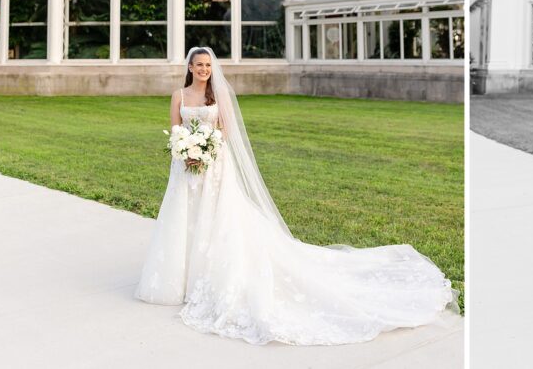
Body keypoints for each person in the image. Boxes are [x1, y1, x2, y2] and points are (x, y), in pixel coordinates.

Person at [135, 46, 455, 345]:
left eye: (208, 65)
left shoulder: (217, 94)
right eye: (199, 65)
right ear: (190, 66)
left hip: (214, 165)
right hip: (185, 168)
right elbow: (175, 129)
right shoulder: (178, 95)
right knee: (184, 216)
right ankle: (180, 279)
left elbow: (226, 131)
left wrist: (205, 150)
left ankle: (206, 277)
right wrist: (185, 151)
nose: (204, 69)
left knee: (215, 218)